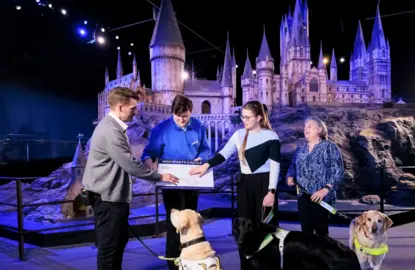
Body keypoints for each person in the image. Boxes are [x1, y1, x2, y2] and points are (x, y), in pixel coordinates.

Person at [82, 87, 179, 270]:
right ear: (120, 107)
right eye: (133, 108)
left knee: (118, 242)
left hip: (113, 199)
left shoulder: (114, 127)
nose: (136, 111)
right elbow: (130, 164)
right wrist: (159, 176)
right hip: (108, 200)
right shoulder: (111, 131)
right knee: (109, 248)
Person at [189, 100, 281, 270]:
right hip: (244, 185)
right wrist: (206, 165)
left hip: (264, 185)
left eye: (247, 117)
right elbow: (223, 154)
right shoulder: (239, 135)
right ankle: (246, 266)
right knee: (244, 229)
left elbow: (275, 165)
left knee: (267, 228)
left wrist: (271, 191)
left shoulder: (271, 136)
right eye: (242, 117)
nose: (244, 120)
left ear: (259, 117)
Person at [141, 94, 211, 270]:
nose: (181, 120)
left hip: (193, 182)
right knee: (175, 225)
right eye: (178, 116)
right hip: (171, 183)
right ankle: (174, 263)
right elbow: (148, 153)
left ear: (191, 112)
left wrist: (201, 159)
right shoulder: (161, 129)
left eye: (185, 116)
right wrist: (151, 167)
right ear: (172, 113)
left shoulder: (199, 126)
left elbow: (205, 150)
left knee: (192, 221)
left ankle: (191, 259)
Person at [286, 116, 344, 236]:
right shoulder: (301, 149)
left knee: (321, 232)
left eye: (309, 126)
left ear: (319, 129)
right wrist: (290, 176)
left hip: (321, 197)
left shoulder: (329, 146)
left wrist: (325, 190)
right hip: (303, 195)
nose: (305, 129)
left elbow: (337, 170)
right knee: (305, 231)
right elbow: (293, 166)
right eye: (305, 127)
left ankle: (322, 254)